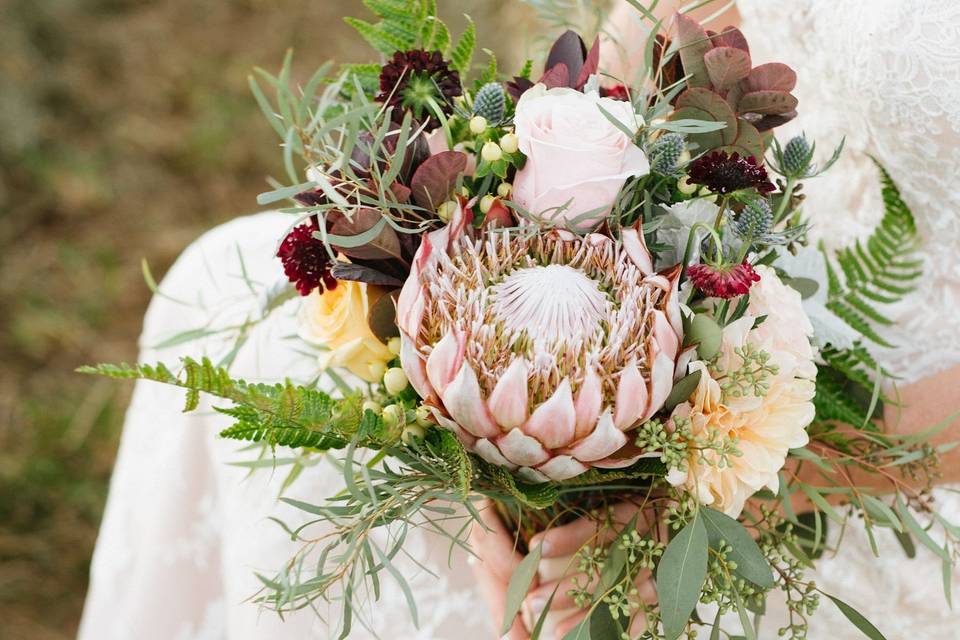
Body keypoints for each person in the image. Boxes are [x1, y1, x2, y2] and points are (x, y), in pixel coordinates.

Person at [79, 1, 960, 638]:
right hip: (699, 246)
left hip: (896, 442)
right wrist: (558, 163)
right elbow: (666, 22)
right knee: (233, 292)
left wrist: (723, 492)